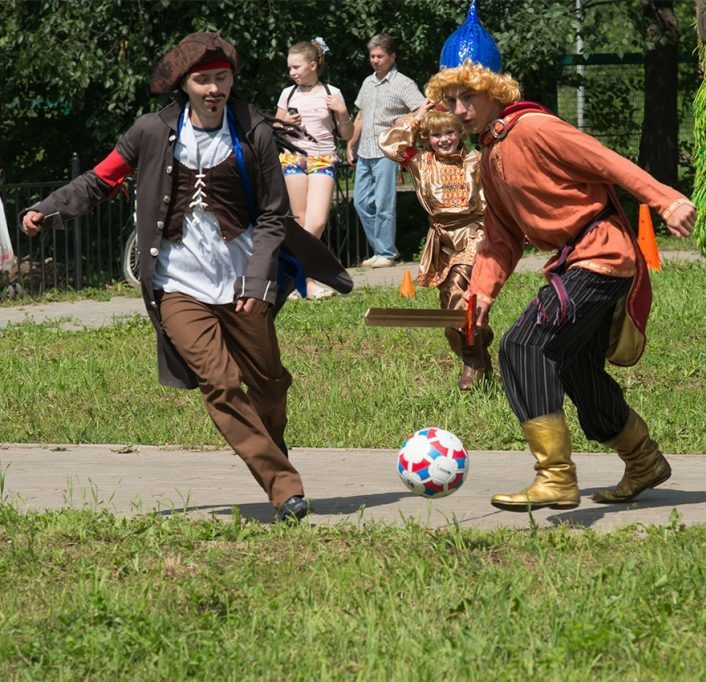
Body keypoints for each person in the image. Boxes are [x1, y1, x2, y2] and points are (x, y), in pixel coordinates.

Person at [20, 33, 350, 522]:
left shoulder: (253, 130)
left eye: (222, 77)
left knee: (270, 385)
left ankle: (270, 445)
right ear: (184, 84)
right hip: (176, 285)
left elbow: (276, 215)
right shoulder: (151, 132)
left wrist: (258, 282)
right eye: (203, 79)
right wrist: (48, 209)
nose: (214, 88)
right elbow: (101, 178)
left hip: (242, 283)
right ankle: (285, 488)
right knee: (219, 383)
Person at [425, 18, 696, 510]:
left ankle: (554, 476)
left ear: (493, 91)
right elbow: (502, 237)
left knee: (523, 347)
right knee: (574, 369)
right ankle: (643, 460)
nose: (460, 110)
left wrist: (666, 200)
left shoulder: (535, 128)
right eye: (451, 100)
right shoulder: (490, 157)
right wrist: (481, 291)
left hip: (600, 255)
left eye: (469, 97)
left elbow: (609, 163)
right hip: (578, 262)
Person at [378, 100, 493, 390]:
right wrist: (418, 115)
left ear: (460, 133)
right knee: (449, 318)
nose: (444, 140)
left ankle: (472, 363)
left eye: (450, 133)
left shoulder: (477, 160)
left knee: (457, 290)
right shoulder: (419, 161)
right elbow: (388, 143)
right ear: (427, 138)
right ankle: (481, 348)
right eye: (436, 135)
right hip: (441, 240)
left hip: (474, 234)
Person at [275, 37, 354, 299]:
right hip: (294, 159)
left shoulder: (332, 93)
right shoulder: (288, 94)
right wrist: (284, 120)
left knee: (317, 220)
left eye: (296, 67)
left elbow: (346, 134)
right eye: (289, 68)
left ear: (312, 65)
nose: (292, 72)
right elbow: (275, 130)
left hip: (323, 158)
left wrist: (342, 112)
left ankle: (296, 275)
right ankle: (305, 281)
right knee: (299, 221)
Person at [346, 33, 424, 268]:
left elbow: (423, 108)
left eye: (380, 56)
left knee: (383, 203)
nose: (375, 60)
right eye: (372, 56)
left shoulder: (403, 83)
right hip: (365, 151)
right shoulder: (367, 83)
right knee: (361, 203)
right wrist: (350, 143)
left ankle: (386, 253)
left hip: (387, 150)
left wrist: (404, 119)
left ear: (392, 57)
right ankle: (382, 248)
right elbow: (360, 115)